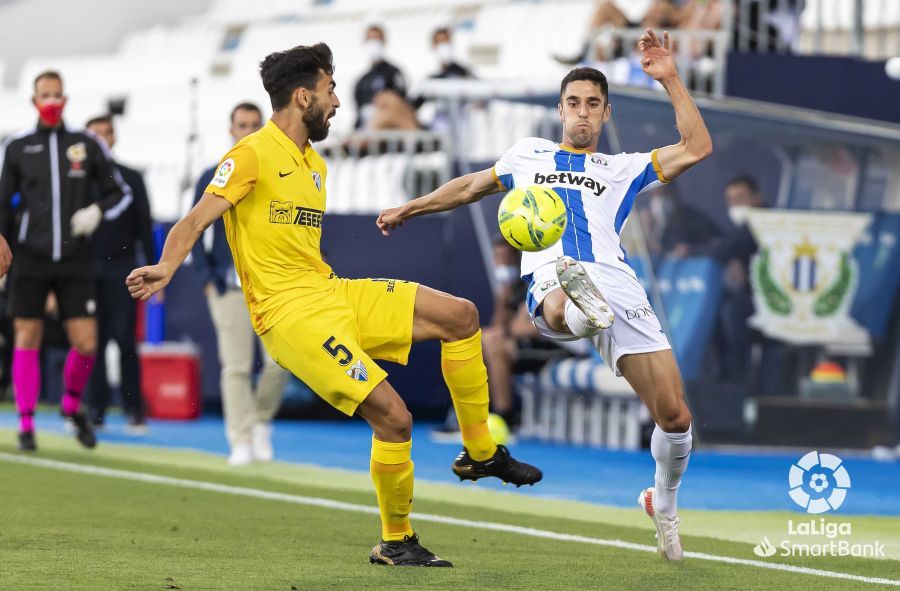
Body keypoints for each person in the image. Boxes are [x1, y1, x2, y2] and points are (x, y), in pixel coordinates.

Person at [126, 43, 541, 567]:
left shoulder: (315, 163)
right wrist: (166, 267)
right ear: (303, 96)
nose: (338, 102)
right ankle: (396, 541)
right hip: (290, 316)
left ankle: (481, 453)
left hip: (330, 293)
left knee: (460, 315)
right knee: (395, 418)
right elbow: (194, 220)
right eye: (330, 90)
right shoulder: (250, 154)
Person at [377, 29, 712, 561]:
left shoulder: (622, 168)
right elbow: (468, 187)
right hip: (552, 274)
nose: (582, 113)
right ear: (560, 109)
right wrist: (409, 208)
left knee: (675, 418)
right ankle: (577, 312)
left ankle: (662, 501)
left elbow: (697, 147)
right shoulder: (527, 156)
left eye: (593, 105)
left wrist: (670, 77)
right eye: (574, 103)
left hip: (617, 284)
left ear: (605, 114)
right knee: (561, 296)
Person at [0, 71, 132, 452]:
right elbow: (3, 203)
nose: (52, 101)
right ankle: (26, 424)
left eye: (58, 94)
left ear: (66, 99)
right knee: (27, 335)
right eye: (45, 95)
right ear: (34, 100)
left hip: (75, 257)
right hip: (30, 256)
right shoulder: (17, 146)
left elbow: (117, 192)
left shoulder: (86, 143)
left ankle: (71, 405)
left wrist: (95, 211)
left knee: (87, 343)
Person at [191, 102, 289, 466]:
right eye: (241, 125)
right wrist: (206, 278)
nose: (247, 131)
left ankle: (261, 421)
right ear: (231, 129)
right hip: (228, 285)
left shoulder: (275, 175)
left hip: (269, 285)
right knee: (236, 365)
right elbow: (195, 225)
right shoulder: (212, 174)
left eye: (253, 124)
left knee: (280, 361)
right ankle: (241, 438)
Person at [84, 115, 155, 433]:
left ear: (114, 138)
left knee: (125, 339)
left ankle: (133, 410)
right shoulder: (76, 181)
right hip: (85, 270)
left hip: (123, 268)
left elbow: (144, 224)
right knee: (92, 343)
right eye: (94, 134)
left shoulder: (131, 177)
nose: (100, 139)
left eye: (105, 133)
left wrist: (154, 271)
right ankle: (95, 411)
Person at [353, 25, 407, 130]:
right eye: (370, 39)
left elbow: (401, 104)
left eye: (376, 39)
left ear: (384, 41)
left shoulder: (394, 73)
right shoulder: (362, 81)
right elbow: (358, 111)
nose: (373, 44)